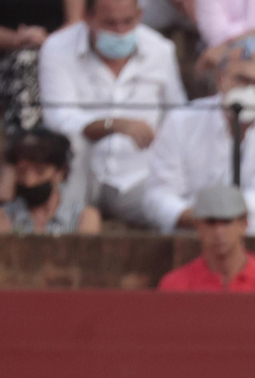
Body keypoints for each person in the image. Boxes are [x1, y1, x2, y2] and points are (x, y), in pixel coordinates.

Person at [38, 0, 186, 227]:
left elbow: (178, 116)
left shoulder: (161, 50)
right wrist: (113, 125)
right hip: (81, 176)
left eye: (128, 21)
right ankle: (64, 229)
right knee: (74, 142)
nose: (120, 32)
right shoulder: (57, 48)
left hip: (139, 177)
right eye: (109, 23)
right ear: (86, 17)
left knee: (179, 214)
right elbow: (58, 119)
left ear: (140, 15)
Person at [143, 38, 255, 234]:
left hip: (248, 231)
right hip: (190, 229)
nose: (251, 91)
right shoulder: (181, 121)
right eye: (242, 79)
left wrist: (223, 220)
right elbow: (159, 194)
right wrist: (200, 219)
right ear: (220, 78)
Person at [157, 183, 255, 290]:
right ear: (198, 226)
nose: (218, 231)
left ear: (244, 224)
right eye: (211, 222)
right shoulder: (175, 286)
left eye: (226, 222)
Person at [2, 1, 77, 145]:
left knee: (30, 63)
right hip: (9, 56)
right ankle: (27, 144)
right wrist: (17, 40)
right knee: (25, 62)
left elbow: (76, 21)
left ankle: (29, 143)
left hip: (59, 52)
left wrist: (48, 42)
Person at [0, 128, 100, 234]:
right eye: (21, 171)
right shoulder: (6, 215)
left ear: (60, 172)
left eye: (40, 171)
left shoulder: (83, 217)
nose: (29, 181)